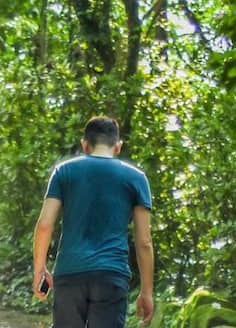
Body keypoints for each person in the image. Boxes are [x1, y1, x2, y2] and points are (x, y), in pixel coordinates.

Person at [32, 116, 154, 327]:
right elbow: (144, 242)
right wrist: (146, 291)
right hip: (111, 275)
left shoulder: (64, 171)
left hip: (70, 273)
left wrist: (39, 270)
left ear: (84, 145)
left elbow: (44, 225)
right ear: (118, 146)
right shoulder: (136, 178)